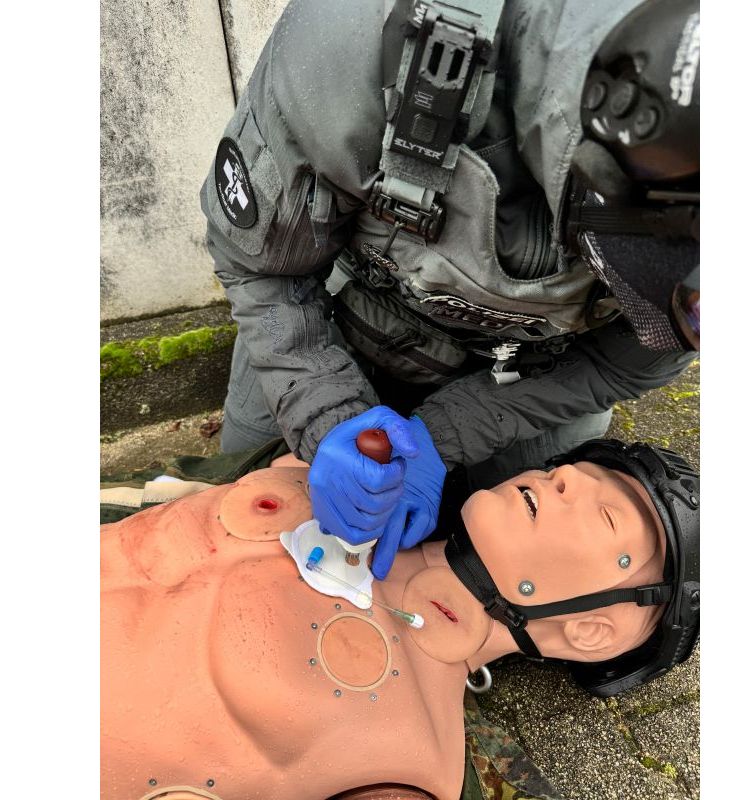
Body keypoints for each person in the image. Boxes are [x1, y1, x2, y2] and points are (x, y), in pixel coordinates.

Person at [200, 0, 700, 577]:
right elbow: (262, 268)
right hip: (337, 319)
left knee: (502, 568)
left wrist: (442, 437)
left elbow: (620, 366)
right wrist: (325, 410)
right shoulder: (360, 41)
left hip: (535, 375)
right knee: (238, 516)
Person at [101, 438, 699, 800]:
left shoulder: (403, 757)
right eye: (581, 472)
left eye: (607, 515)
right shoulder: (337, 472)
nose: (565, 477)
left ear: (590, 630)